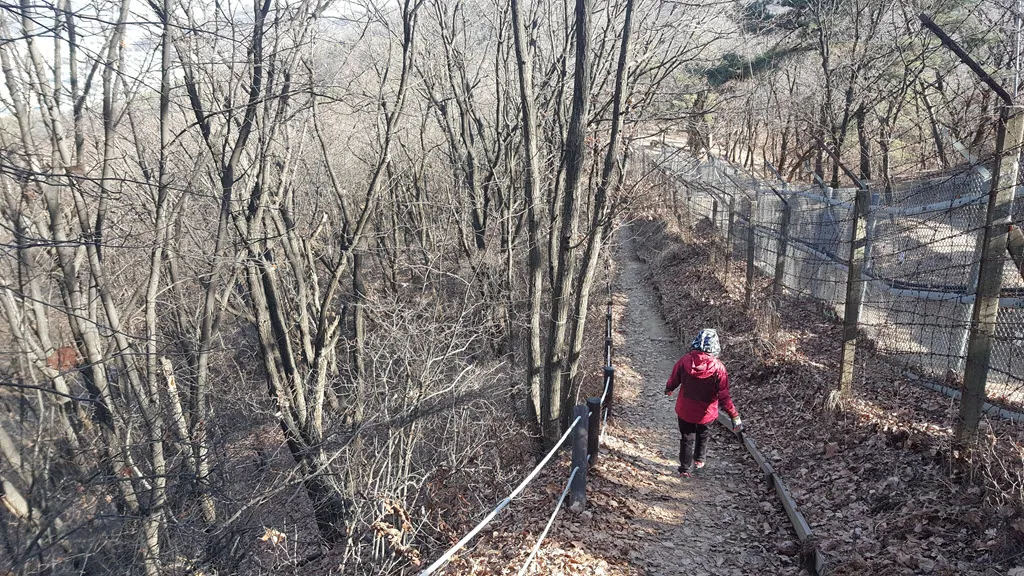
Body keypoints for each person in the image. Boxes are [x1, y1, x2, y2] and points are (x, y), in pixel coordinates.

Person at [664, 328, 742, 477]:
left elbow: (674, 379)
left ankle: (684, 469)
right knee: (703, 434)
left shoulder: (684, 361)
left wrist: (669, 388)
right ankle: (699, 461)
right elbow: (724, 396)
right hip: (707, 412)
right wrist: (734, 415)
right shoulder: (719, 368)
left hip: (685, 409)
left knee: (687, 438)